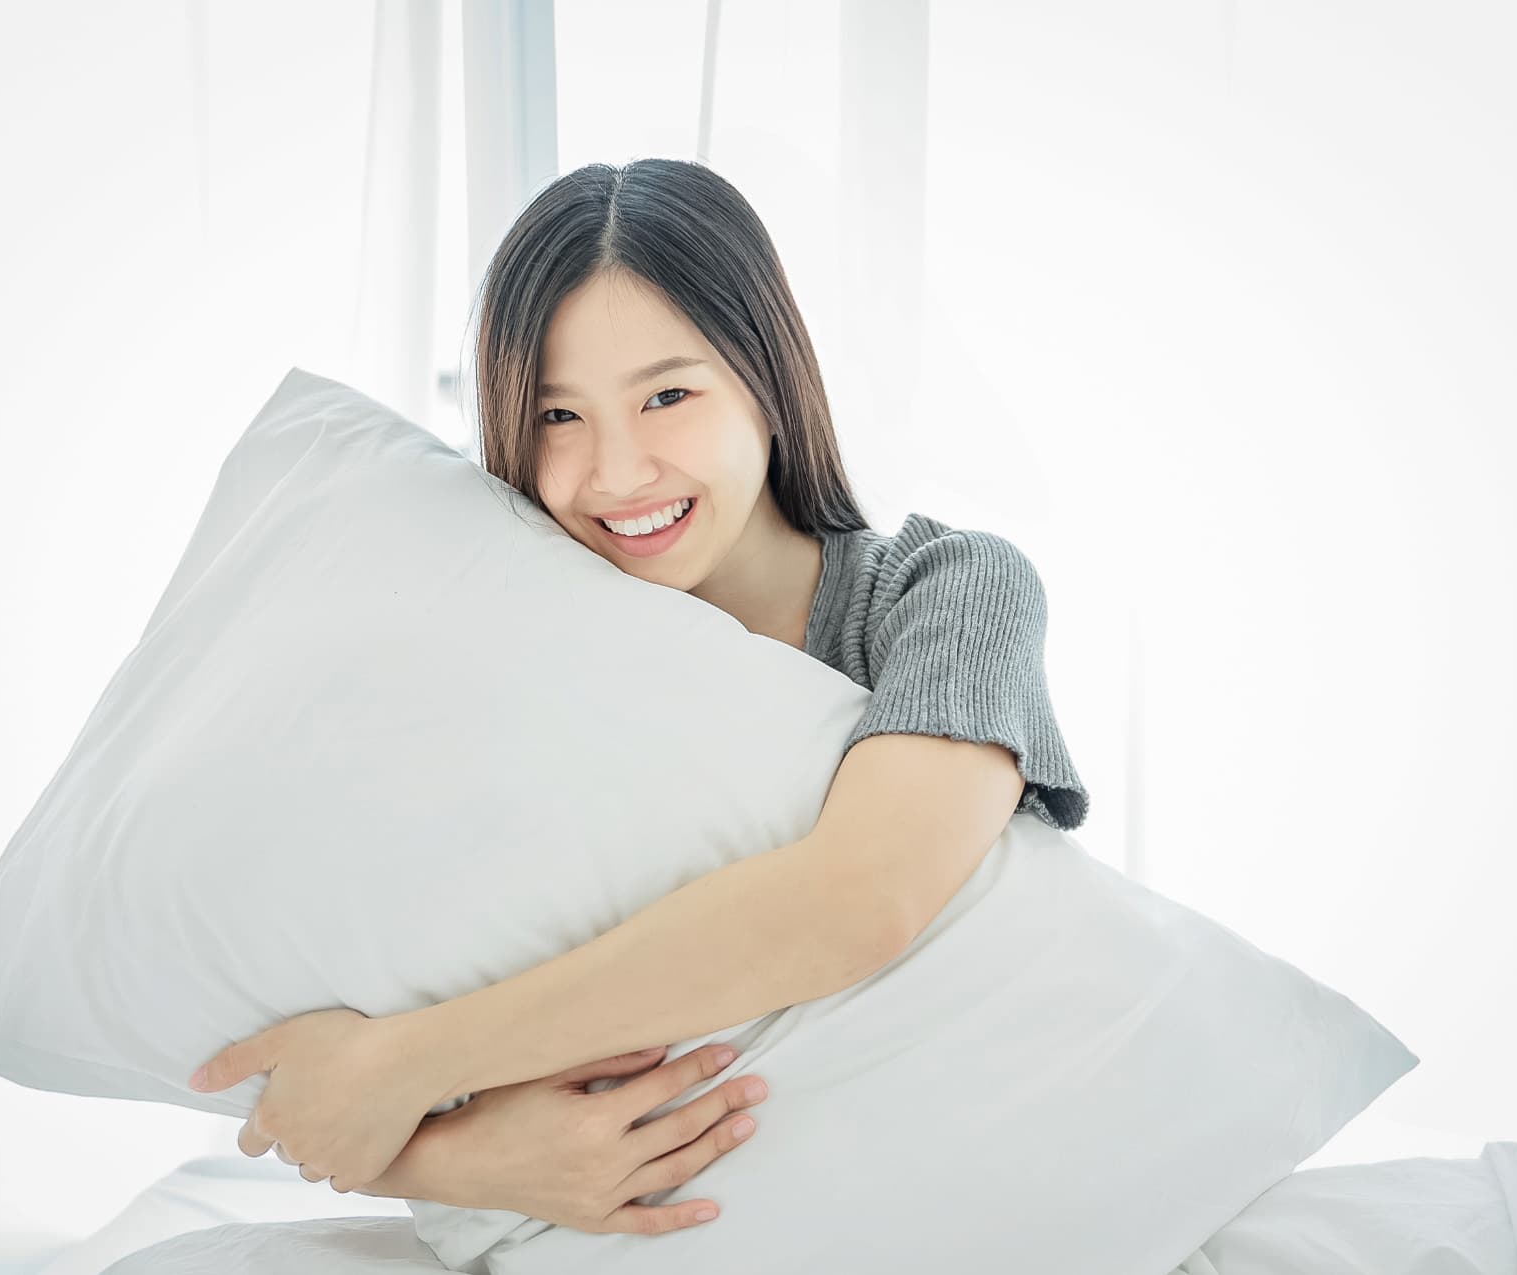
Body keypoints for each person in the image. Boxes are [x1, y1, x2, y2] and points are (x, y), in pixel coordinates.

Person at [190, 157, 1089, 1236]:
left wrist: (407, 1064)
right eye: (558, 416)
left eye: (667, 395)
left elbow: (863, 899)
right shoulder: (499, 659)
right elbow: (372, 1010)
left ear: (768, 380)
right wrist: (459, 1164)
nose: (616, 473)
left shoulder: (947, 595)